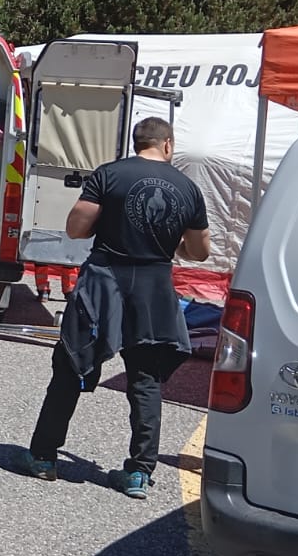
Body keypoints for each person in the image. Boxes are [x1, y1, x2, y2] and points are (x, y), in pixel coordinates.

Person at [14, 118, 211, 499]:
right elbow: (199, 250)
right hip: (154, 286)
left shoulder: (109, 174)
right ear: (167, 145)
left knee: (71, 367)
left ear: (137, 142)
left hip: (106, 280)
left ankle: (43, 457)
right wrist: (173, 246)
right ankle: (138, 472)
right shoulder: (188, 188)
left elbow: (76, 227)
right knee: (145, 379)